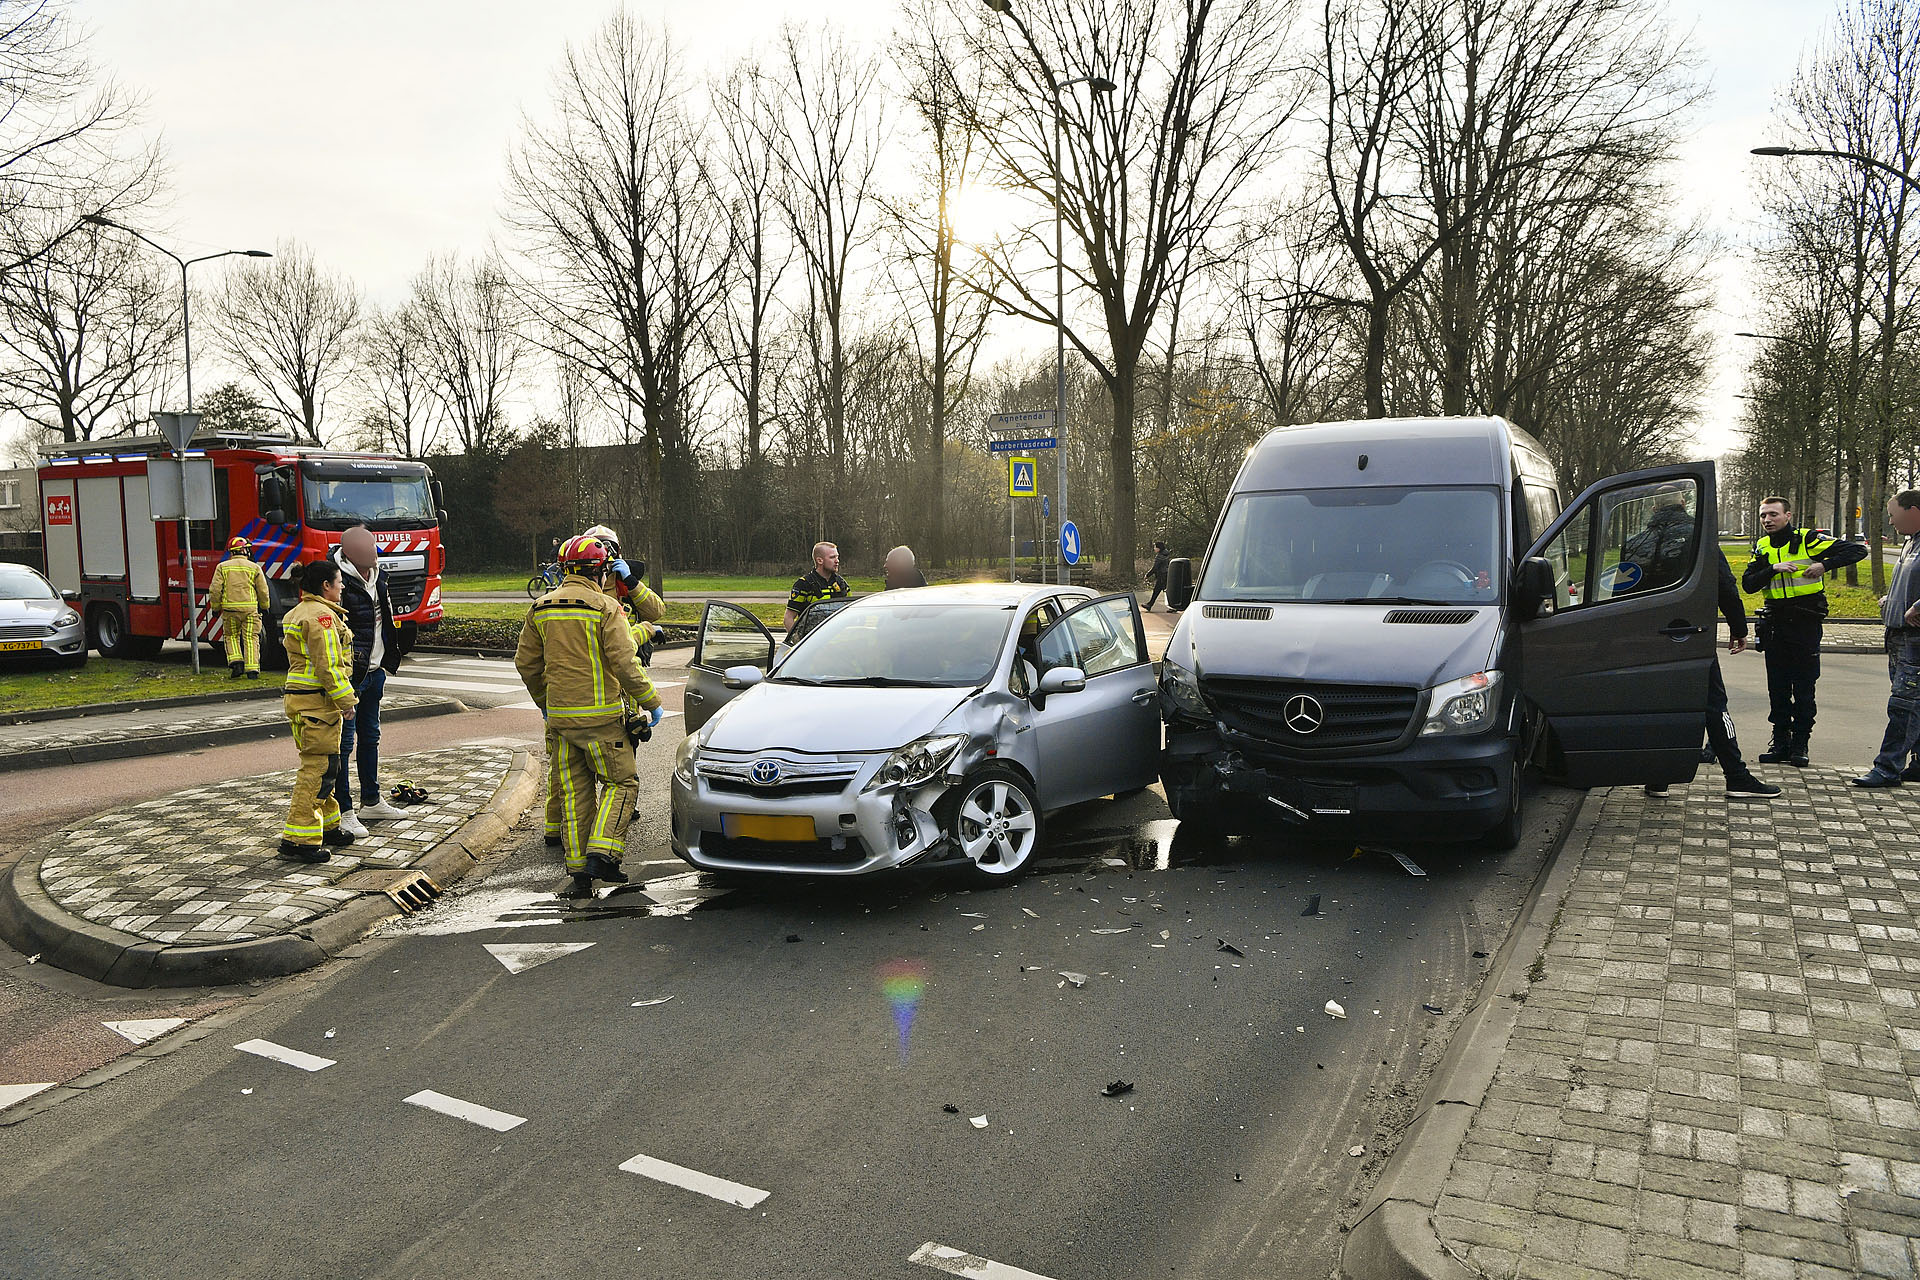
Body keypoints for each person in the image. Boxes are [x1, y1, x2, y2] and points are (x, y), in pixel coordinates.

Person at [515, 532, 662, 897]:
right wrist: (652, 701)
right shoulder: (605, 608)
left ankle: (580, 871)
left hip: (561, 722)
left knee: (575, 794)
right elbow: (624, 662)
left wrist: (544, 702)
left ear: (564, 570)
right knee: (622, 783)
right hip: (603, 721)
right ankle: (604, 853)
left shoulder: (540, 608)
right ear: (599, 571)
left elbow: (526, 663)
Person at [540, 524, 666, 849]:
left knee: (601, 759)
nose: (606, 553)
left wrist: (632, 582)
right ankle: (564, 828)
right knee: (596, 770)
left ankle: (598, 824)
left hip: (609, 685)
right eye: (600, 547)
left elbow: (656, 609)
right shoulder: (588, 594)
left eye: (609, 547)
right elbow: (617, 646)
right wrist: (646, 632)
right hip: (600, 683)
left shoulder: (623, 580)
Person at [1645, 546, 1780, 800]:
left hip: (1648, 636)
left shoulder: (1644, 543)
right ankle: (1736, 775)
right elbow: (1726, 587)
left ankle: (1659, 776)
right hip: (1691, 634)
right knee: (1715, 706)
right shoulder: (1702, 542)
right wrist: (1739, 628)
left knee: (1664, 705)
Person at [1742, 496, 1867, 766]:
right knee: (1777, 687)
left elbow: (1857, 551)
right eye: (1763, 515)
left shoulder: (1807, 539)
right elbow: (1748, 584)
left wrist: (1824, 565)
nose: (1767, 520)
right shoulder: (1762, 546)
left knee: (1804, 686)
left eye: (1773, 514)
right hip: (1775, 622)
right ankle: (1780, 743)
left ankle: (1800, 744)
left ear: (1788, 516)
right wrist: (1772, 569)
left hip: (1804, 622)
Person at [328, 526, 410, 838]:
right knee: (343, 744)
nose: (373, 553)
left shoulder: (379, 577)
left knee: (371, 737)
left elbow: (384, 620)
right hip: (351, 675)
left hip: (375, 671)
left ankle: (371, 801)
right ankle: (344, 810)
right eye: (367, 549)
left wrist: (388, 658)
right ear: (350, 554)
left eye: (374, 547)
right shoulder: (337, 581)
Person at [278, 559, 358, 863]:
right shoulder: (321, 617)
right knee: (317, 769)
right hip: (317, 704)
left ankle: (327, 826)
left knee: (327, 766)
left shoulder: (299, 612)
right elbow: (328, 664)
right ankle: (298, 841)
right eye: (339, 581)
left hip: (305, 702)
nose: (342, 586)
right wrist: (346, 700)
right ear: (326, 585)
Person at [1854, 490, 1920, 788]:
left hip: (1915, 640)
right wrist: (1890, 600)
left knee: (1903, 706)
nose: (1890, 521)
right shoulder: (1910, 542)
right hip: (1899, 637)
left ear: (1913, 511)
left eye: (1893, 515)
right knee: (1913, 704)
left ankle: (1887, 768)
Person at [208, 536, 270, 679]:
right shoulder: (254, 568)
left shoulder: (222, 567)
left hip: (230, 611)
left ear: (232, 551)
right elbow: (263, 590)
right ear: (245, 551)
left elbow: (215, 590)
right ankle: (252, 670)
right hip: (250, 611)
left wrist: (215, 608)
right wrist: (265, 606)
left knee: (231, 636)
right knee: (251, 638)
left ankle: (236, 663)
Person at [784, 541, 850, 637]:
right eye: (832, 557)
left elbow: (850, 613)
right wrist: (798, 641)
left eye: (837, 557)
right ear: (819, 560)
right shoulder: (804, 584)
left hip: (838, 641)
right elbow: (788, 618)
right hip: (814, 641)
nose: (837, 561)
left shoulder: (841, 584)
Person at [1145, 540, 1171, 611]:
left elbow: (1155, 567)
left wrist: (1148, 575)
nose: (1154, 549)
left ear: (1159, 548)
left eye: (1155, 547)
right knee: (1165, 591)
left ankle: (1149, 605)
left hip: (1161, 576)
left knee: (1157, 591)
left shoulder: (1160, 556)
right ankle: (1149, 605)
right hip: (1166, 575)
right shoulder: (1166, 554)